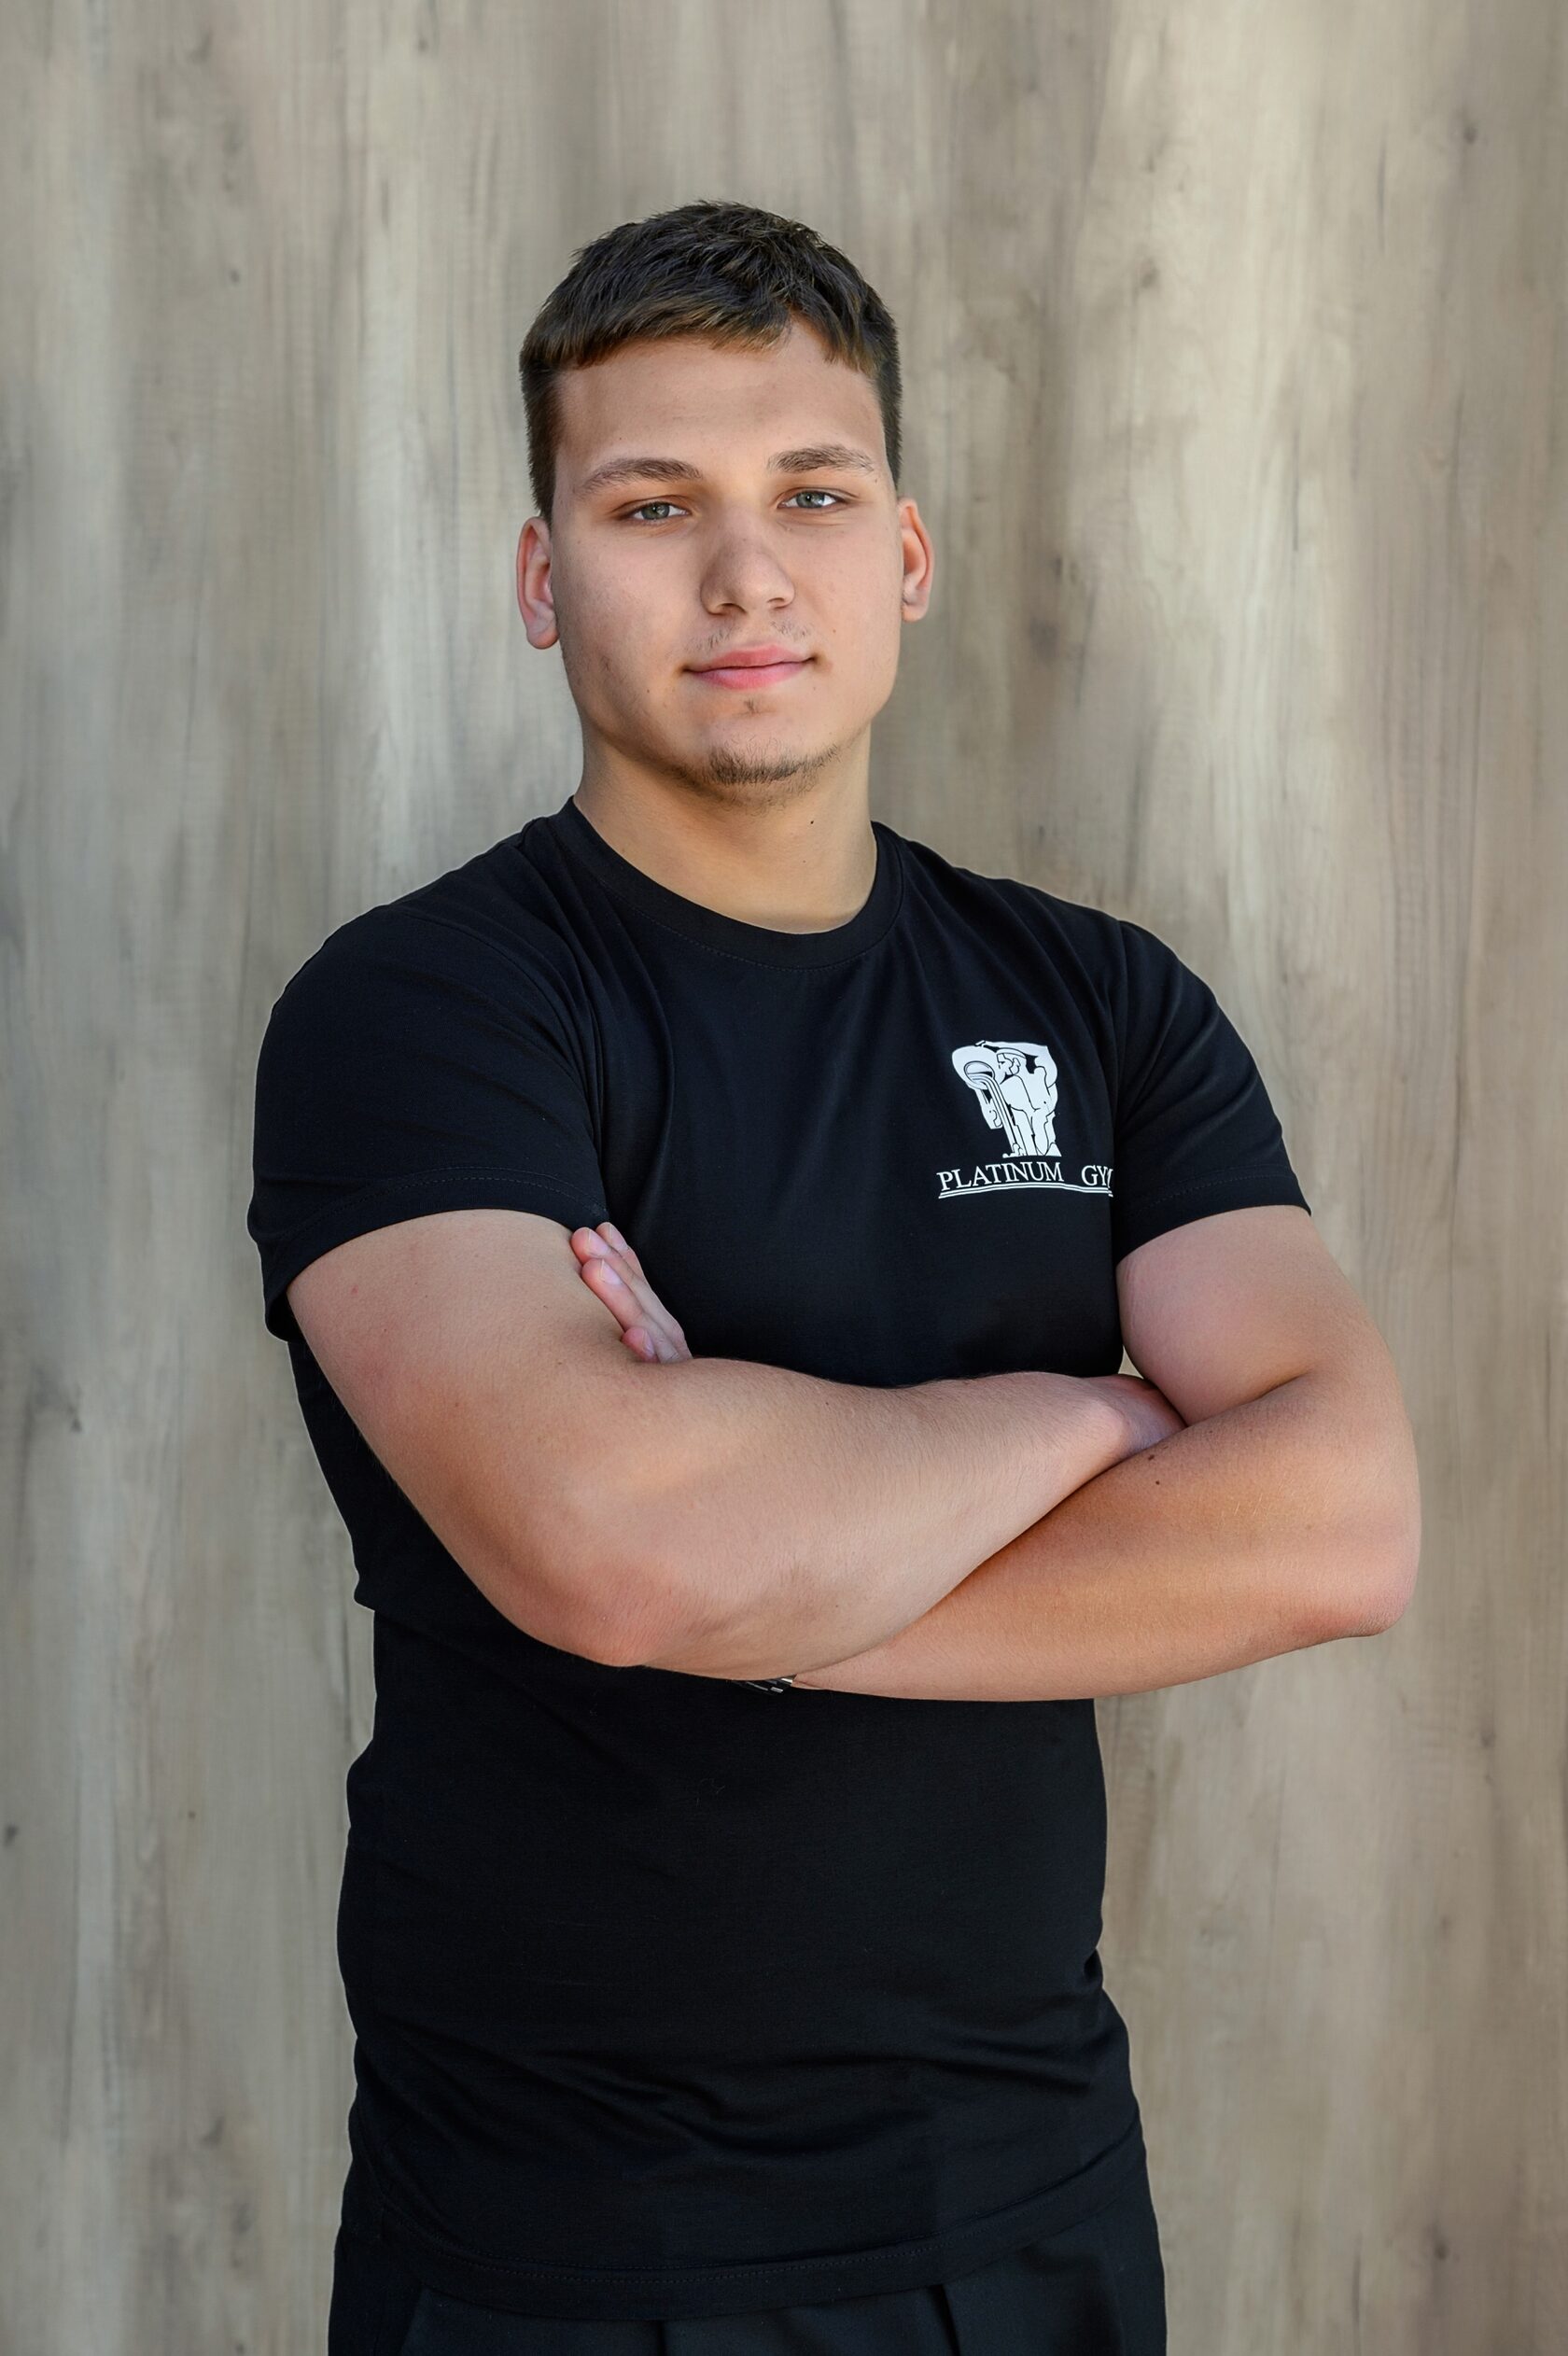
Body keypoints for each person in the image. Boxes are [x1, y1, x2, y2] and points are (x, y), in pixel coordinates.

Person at [245, 200, 1421, 2353]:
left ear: (908, 553)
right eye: (651, 503)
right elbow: (613, 1544)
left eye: (811, 492)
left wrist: (756, 1556)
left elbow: (1343, 1521)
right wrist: (1093, 1412)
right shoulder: (424, 1012)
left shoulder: (1100, 1003)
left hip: (1040, 2203)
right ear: (542, 576)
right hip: (570, 2247)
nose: (744, 573)